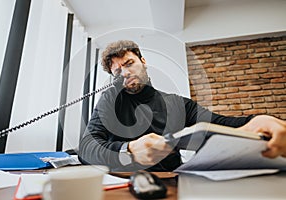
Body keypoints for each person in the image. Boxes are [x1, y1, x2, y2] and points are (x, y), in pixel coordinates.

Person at [78, 40, 286, 172]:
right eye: (117, 71)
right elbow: (86, 148)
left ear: (143, 60)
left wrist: (258, 120)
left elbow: (223, 124)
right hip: (126, 183)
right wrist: (128, 149)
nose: (124, 73)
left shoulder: (177, 103)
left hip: (174, 180)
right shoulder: (110, 101)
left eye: (129, 64)